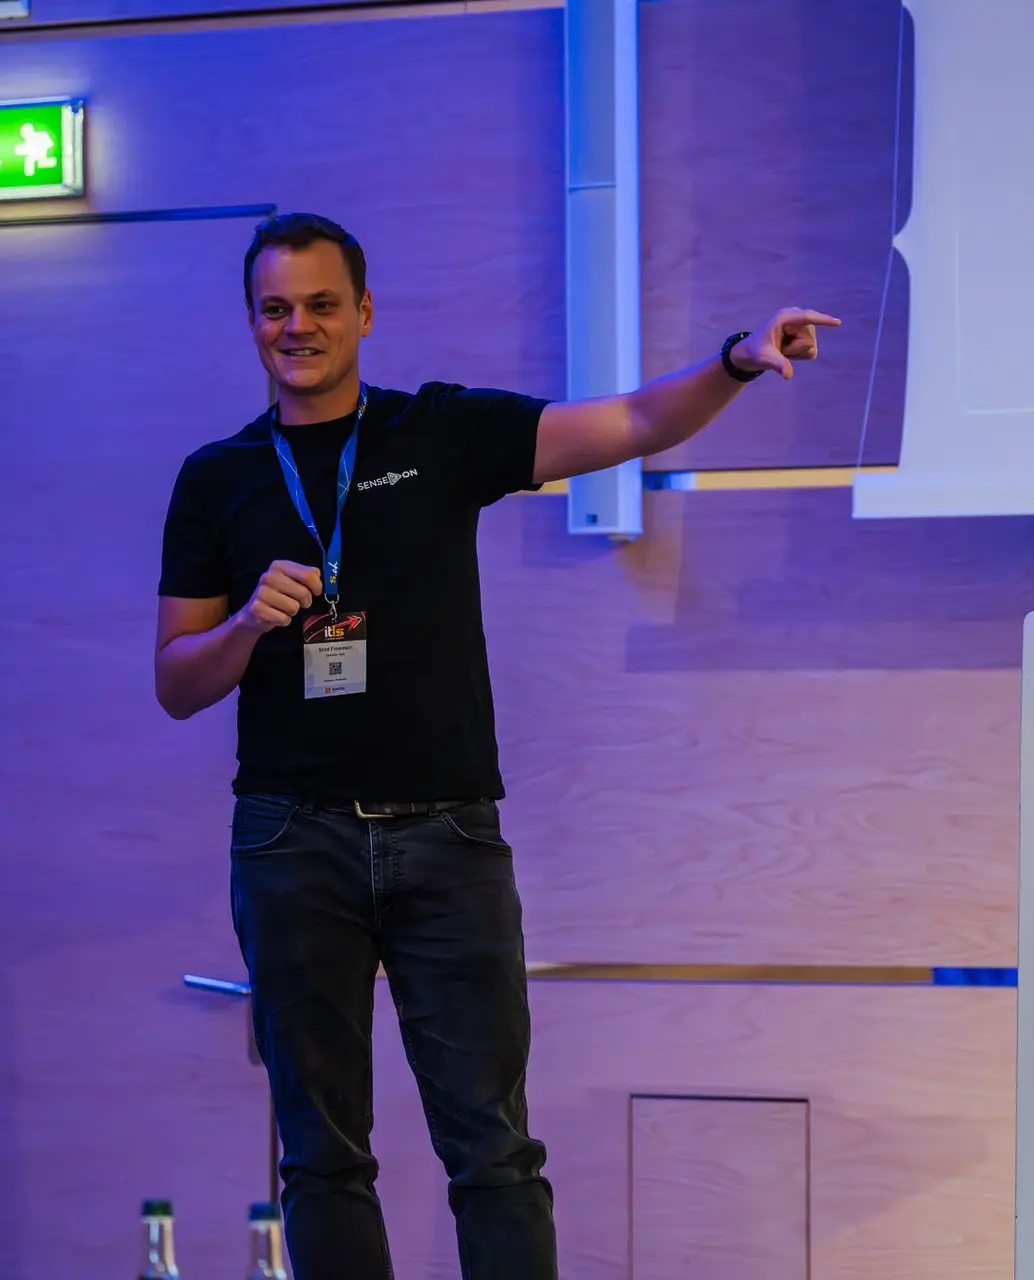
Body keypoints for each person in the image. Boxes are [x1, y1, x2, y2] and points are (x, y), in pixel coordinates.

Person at [154, 211, 839, 1280]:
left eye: (322, 304)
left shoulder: (437, 430)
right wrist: (245, 624)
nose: (298, 326)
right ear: (251, 323)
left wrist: (735, 360)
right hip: (292, 841)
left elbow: (631, 420)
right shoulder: (216, 476)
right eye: (275, 309)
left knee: (493, 1153)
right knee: (321, 1158)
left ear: (364, 312)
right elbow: (175, 682)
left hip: (447, 838)